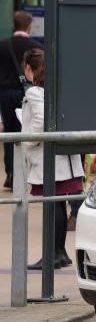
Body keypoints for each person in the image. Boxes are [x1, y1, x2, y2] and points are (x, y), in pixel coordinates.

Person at [22, 49, 84, 270]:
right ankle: (60, 252)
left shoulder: (35, 92)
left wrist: (26, 142)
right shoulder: (59, 87)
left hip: (50, 159)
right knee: (57, 204)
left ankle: (52, 255)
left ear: (30, 68)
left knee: (53, 205)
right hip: (65, 158)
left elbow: (39, 121)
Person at [0, 11, 43, 190]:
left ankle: (11, 172)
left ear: (14, 25)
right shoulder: (36, 47)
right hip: (27, 92)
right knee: (26, 132)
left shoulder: (2, 45)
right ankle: (25, 173)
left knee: (10, 134)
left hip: (5, 93)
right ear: (29, 26)